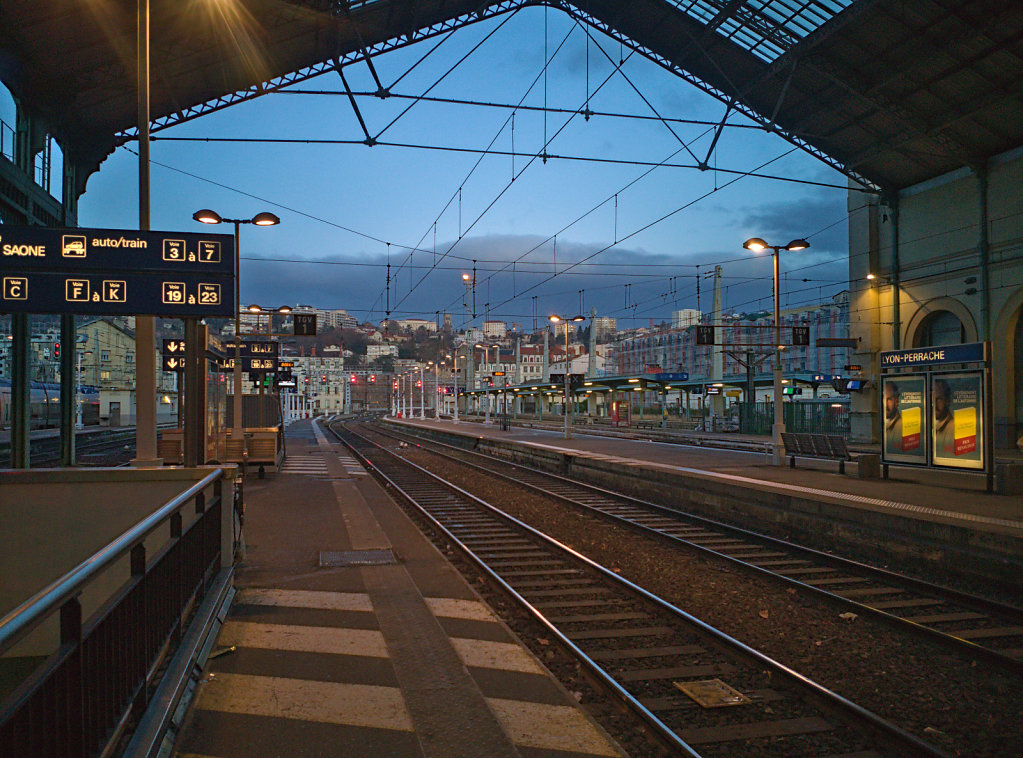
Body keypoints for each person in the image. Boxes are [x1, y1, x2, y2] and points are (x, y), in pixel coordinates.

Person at [933, 379, 955, 457]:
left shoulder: (952, 430)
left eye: (939, 399)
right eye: (932, 399)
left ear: (947, 400)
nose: (934, 405)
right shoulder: (932, 426)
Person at [884, 381, 902, 452]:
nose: (885, 405)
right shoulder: (883, 423)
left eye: (889, 399)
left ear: (896, 401)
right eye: (884, 399)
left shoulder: (901, 425)